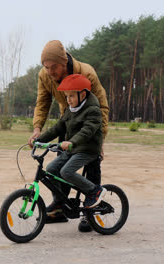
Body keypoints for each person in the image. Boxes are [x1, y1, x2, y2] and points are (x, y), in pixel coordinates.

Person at [28, 40, 109, 232]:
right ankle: (60, 206)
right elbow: (42, 103)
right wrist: (37, 129)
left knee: (92, 163)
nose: (49, 71)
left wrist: (100, 139)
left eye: (53, 67)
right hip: (68, 120)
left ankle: (92, 209)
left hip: (89, 126)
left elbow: (102, 107)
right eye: (46, 67)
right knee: (58, 165)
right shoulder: (44, 75)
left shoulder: (86, 73)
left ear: (64, 63)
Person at [35, 74, 107, 212]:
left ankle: (94, 191)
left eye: (72, 96)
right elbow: (57, 128)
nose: (68, 100)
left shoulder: (93, 110)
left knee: (66, 172)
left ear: (83, 94)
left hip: (88, 149)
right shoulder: (70, 110)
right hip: (73, 149)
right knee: (51, 169)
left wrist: (71, 142)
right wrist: (39, 140)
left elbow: (87, 131)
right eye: (67, 96)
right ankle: (60, 201)